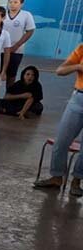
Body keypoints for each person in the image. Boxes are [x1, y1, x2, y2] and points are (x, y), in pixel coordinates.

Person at [34, 44, 83, 197]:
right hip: (79, 97)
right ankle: (56, 177)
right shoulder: (82, 48)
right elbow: (60, 70)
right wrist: (78, 67)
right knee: (61, 141)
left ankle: (77, 181)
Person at [4, 0, 37, 90]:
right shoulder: (3, 14)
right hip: (1, 50)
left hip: (16, 51)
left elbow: (30, 31)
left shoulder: (26, 15)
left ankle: (8, 97)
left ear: (21, 4)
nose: (12, 4)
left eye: (15, 2)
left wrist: (17, 45)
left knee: (11, 75)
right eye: (10, 2)